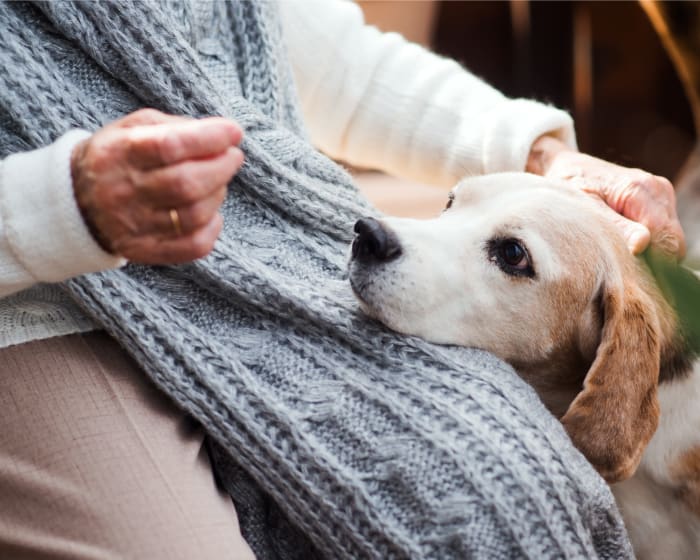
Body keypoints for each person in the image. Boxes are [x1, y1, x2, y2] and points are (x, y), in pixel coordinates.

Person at [0, 1, 684, 559]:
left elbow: (332, 64)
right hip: (37, 305)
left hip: (267, 258)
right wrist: (58, 205)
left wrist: (541, 153)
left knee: (509, 490)